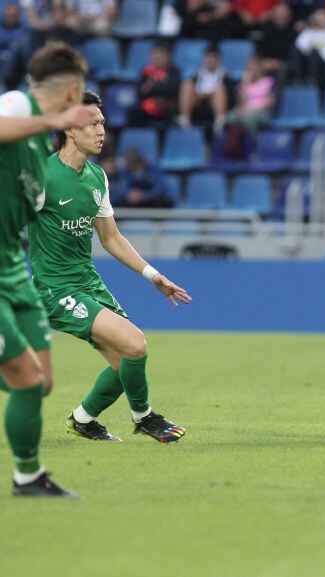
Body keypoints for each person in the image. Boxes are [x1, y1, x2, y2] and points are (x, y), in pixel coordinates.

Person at [29, 90, 189, 445]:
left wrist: (153, 275)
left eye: (103, 123)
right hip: (55, 288)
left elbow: (111, 238)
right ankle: (144, 417)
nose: (102, 131)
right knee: (135, 343)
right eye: (93, 123)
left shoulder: (97, 177)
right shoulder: (42, 176)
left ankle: (83, 420)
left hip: (87, 282)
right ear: (70, 129)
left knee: (124, 364)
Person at [0, 41, 95, 497]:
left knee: (41, 381)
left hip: (12, 268)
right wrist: (55, 121)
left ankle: (28, 477)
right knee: (25, 376)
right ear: (73, 91)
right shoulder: (20, 104)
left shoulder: (41, 145)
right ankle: (28, 479)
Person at [177, 47, 229, 130]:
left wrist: (210, 94)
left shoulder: (225, 76)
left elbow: (229, 94)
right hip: (198, 102)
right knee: (187, 84)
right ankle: (185, 118)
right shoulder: (197, 74)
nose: (210, 60)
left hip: (215, 102)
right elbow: (193, 89)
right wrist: (200, 94)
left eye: (213, 57)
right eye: (208, 57)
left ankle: (220, 122)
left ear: (218, 59)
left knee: (219, 89)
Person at [131, 42, 182, 126]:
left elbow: (173, 90)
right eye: (155, 54)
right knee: (134, 112)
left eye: (161, 54)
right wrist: (159, 88)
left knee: (172, 114)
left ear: (168, 56)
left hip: (167, 105)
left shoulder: (174, 71)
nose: (157, 57)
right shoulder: (145, 71)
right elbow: (140, 92)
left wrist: (153, 88)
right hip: (149, 104)